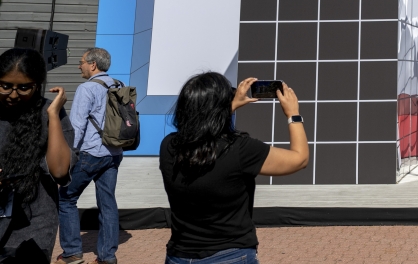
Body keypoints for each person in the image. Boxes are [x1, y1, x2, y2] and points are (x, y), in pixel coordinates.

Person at [159, 73, 308, 264]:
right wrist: (293, 115)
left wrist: (227, 107)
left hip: (179, 255)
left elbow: (202, 130)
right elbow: (299, 159)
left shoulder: (169, 146)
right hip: (230, 255)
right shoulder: (240, 149)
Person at [0, 48, 73, 264]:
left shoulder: (49, 113)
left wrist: (53, 114)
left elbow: (60, 172)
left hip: (33, 222)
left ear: (37, 84)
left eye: (24, 88)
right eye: (5, 86)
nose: (13, 94)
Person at [57, 48, 123, 264]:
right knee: (108, 204)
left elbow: (76, 126)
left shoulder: (87, 89)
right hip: (114, 153)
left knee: (66, 199)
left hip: (90, 153)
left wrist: (70, 155)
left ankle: (72, 253)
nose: (79, 66)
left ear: (93, 64)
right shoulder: (119, 85)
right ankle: (107, 257)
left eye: (81, 62)